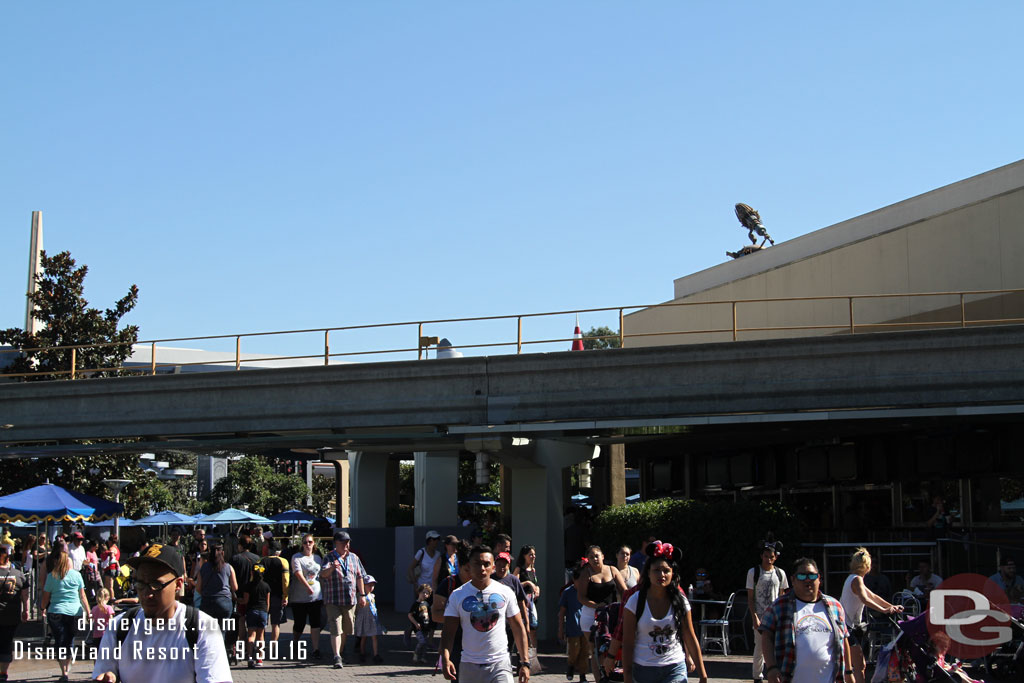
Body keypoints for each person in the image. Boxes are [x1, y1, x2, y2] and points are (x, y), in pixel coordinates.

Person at [91, 543, 232, 683]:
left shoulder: (202, 627)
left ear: (178, 584)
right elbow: (104, 673)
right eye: (140, 584)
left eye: (156, 585)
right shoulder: (119, 626)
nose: (147, 594)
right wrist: (108, 677)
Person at [440, 545, 532, 683]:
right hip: (469, 665)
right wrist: (445, 659)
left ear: (493, 567)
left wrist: (525, 662)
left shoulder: (505, 592)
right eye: (477, 564)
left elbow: (518, 627)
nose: (482, 568)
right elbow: (448, 632)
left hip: (500, 664)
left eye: (486, 564)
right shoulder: (457, 595)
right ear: (469, 567)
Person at [621, 540, 707, 683]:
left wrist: (702, 674)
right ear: (648, 573)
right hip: (643, 669)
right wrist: (627, 677)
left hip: (674, 667)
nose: (661, 574)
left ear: (673, 574)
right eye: (656, 570)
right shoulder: (635, 602)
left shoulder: (680, 601)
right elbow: (628, 642)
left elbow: (690, 637)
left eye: (666, 570)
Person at [760, 558, 854, 683]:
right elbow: (766, 635)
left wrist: (848, 672)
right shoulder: (779, 606)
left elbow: (844, 639)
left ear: (819, 579)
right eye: (802, 576)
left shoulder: (835, 606)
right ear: (793, 580)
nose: (808, 580)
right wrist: (771, 668)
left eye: (812, 575)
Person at [839, 548, 903, 683]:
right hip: (846, 627)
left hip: (849, 626)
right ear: (867, 566)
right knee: (856, 666)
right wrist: (884, 610)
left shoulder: (854, 579)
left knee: (858, 665)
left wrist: (890, 607)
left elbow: (873, 596)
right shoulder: (856, 580)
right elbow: (865, 599)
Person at [575, 545, 628, 683]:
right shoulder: (586, 574)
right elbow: (581, 597)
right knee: (595, 650)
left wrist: (626, 606)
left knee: (613, 646)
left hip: (612, 614)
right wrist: (596, 605)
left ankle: (612, 675)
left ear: (603, 556)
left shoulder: (612, 569)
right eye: (591, 557)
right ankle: (599, 679)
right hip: (591, 614)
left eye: (597, 556)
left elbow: (624, 591)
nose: (594, 559)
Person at [319, 530, 367, 669]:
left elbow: (360, 576)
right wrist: (333, 567)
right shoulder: (329, 557)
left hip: (350, 600)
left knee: (347, 629)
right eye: (343, 543)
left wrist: (362, 595)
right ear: (336, 543)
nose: (346, 545)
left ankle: (340, 650)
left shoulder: (354, 557)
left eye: (348, 542)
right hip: (333, 600)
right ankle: (337, 656)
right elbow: (323, 574)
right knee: (335, 627)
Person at [42, 549, 89, 682]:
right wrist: (89, 611)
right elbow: (82, 596)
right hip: (75, 612)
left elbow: (46, 597)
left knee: (60, 640)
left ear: (57, 562)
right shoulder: (77, 575)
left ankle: (64, 671)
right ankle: (67, 667)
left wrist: (42, 607)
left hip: (56, 611)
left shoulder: (52, 576)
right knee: (70, 639)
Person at [747, 540, 789, 683]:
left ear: (775, 557)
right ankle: (757, 676)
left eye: (771, 557)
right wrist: (755, 617)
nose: (768, 559)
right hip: (760, 614)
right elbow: (750, 598)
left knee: (777, 646)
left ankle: (776, 673)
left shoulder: (780, 573)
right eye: (766, 556)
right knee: (759, 647)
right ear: (761, 556)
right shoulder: (754, 572)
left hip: (775, 616)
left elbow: (782, 595)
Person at [195, 542, 239, 662]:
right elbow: (235, 587)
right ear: (222, 553)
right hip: (224, 603)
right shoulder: (228, 567)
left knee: (208, 631)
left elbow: (198, 588)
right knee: (222, 630)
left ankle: (208, 655)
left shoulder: (204, 567)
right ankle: (221, 658)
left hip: (208, 601)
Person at [289, 533, 323, 663]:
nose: (308, 544)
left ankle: (316, 649)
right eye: (305, 542)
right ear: (302, 545)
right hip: (300, 598)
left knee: (315, 623)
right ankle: (295, 641)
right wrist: (307, 587)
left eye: (310, 542)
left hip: (316, 597)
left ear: (314, 543)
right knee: (300, 623)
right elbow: (297, 573)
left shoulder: (318, 558)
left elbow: (320, 576)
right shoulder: (297, 558)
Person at [0, 544, 29, 683]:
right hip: (11, 616)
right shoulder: (18, 574)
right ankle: (3, 673)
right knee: (6, 644)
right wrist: (26, 610)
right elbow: (25, 594)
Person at [558, 566, 590, 683]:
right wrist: (560, 629)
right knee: (574, 650)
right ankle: (571, 665)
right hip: (573, 627)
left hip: (586, 627)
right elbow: (561, 612)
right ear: (574, 580)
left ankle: (583, 675)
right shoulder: (567, 593)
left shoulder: (587, 591)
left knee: (585, 653)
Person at [259, 538, 290, 646]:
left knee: (262, 624)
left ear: (269, 550)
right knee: (275, 624)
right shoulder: (283, 562)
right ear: (279, 552)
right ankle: (273, 646)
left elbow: (257, 578)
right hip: (278, 595)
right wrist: (285, 596)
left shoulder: (261, 561)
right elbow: (286, 581)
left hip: (263, 597)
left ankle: (260, 647)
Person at [245, 564, 271, 668]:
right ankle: (259, 658)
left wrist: (237, 600)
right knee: (261, 636)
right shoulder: (266, 586)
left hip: (252, 611)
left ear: (252, 573)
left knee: (251, 636)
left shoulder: (248, 585)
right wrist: (266, 612)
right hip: (263, 611)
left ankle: (250, 657)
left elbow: (246, 601)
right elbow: (268, 602)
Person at [514, 545, 541, 647]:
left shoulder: (532, 569)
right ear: (524, 556)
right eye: (530, 554)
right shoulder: (519, 569)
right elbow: (514, 583)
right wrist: (527, 583)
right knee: (525, 626)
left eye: (534, 554)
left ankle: (533, 650)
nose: (533, 556)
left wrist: (537, 589)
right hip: (523, 601)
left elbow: (535, 584)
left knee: (533, 626)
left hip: (532, 601)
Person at [354, 574, 385, 664]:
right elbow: (357, 609)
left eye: (373, 585)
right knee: (364, 637)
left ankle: (376, 654)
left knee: (374, 637)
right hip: (364, 619)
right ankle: (362, 652)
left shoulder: (372, 596)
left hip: (372, 619)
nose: (371, 587)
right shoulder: (360, 596)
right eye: (369, 585)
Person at [410, 583, 434, 664]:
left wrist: (430, 625)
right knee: (422, 641)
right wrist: (416, 623)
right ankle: (416, 654)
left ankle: (423, 657)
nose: (425, 594)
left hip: (425, 626)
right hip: (418, 628)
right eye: (423, 592)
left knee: (425, 643)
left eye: (427, 593)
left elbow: (429, 615)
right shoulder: (415, 604)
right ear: (419, 593)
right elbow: (410, 615)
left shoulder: (426, 604)